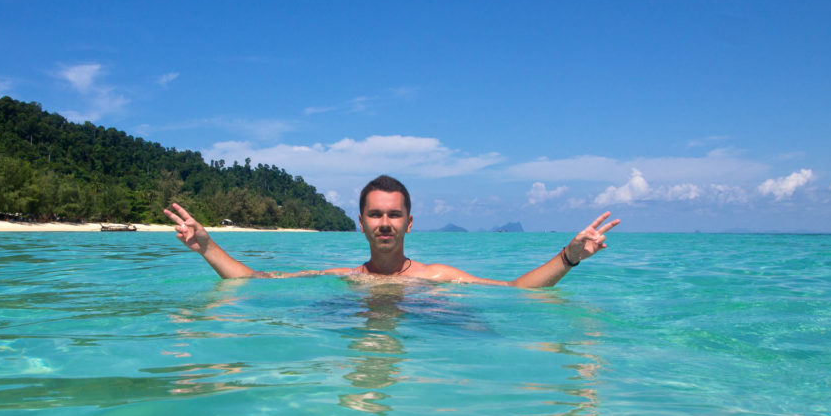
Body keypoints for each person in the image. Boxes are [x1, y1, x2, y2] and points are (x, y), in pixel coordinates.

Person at [163, 175, 620, 288]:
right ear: (361, 222)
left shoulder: (438, 278)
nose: (385, 223)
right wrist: (207, 246)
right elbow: (257, 283)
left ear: (409, 222)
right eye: (375, 214)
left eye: (394, 214)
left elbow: (516, 291)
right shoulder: (345, 278)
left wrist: (569, 256)